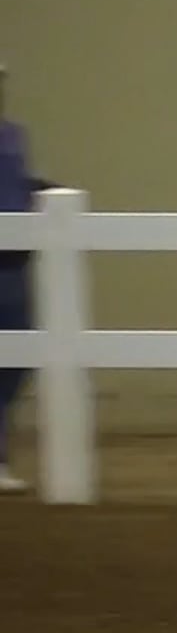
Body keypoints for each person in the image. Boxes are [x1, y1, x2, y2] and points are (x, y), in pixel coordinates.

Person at [0, 64, 59, 495]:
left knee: (15, 360)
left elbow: (12, 184)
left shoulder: (12, 136)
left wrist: (44, 192)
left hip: (11, 265)